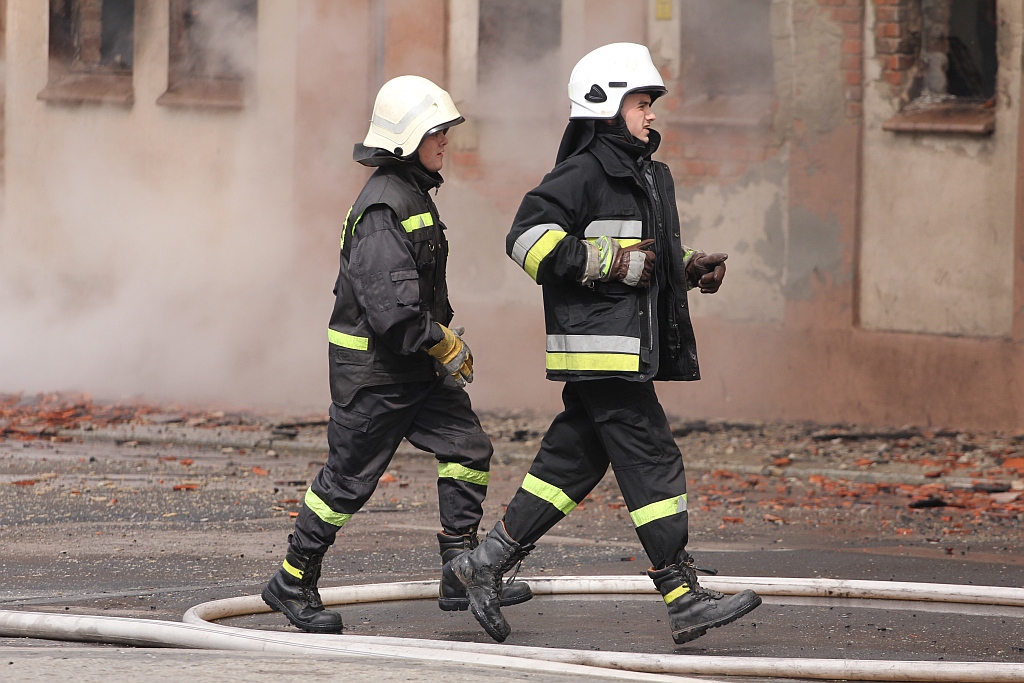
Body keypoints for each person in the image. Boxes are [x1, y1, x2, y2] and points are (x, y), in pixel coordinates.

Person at [451, 44, 761, 645]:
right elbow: (526, 241)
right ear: (604, 106)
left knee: (572, 462)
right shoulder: (584, 170)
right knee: (652, 459)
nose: (649, 115)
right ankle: (680, 592)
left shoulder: (646, 174)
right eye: (640, 103)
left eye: (648, 104)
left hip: (622, 349)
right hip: (603, 351)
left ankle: (483, 563)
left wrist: (689, 265)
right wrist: (608, 262)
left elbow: (650, 255)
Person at [261, 75, 531, 633]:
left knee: (467, 448)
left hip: (412, 369)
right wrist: (446, 342)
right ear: (408, 139)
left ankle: (459, 573)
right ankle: (292, 578)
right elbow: (394, 313)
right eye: (437, 133)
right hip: (375, 375)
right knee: (346, 483)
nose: (446, 143)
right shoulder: (385, 208)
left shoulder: (411, 196)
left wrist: (436, 347)